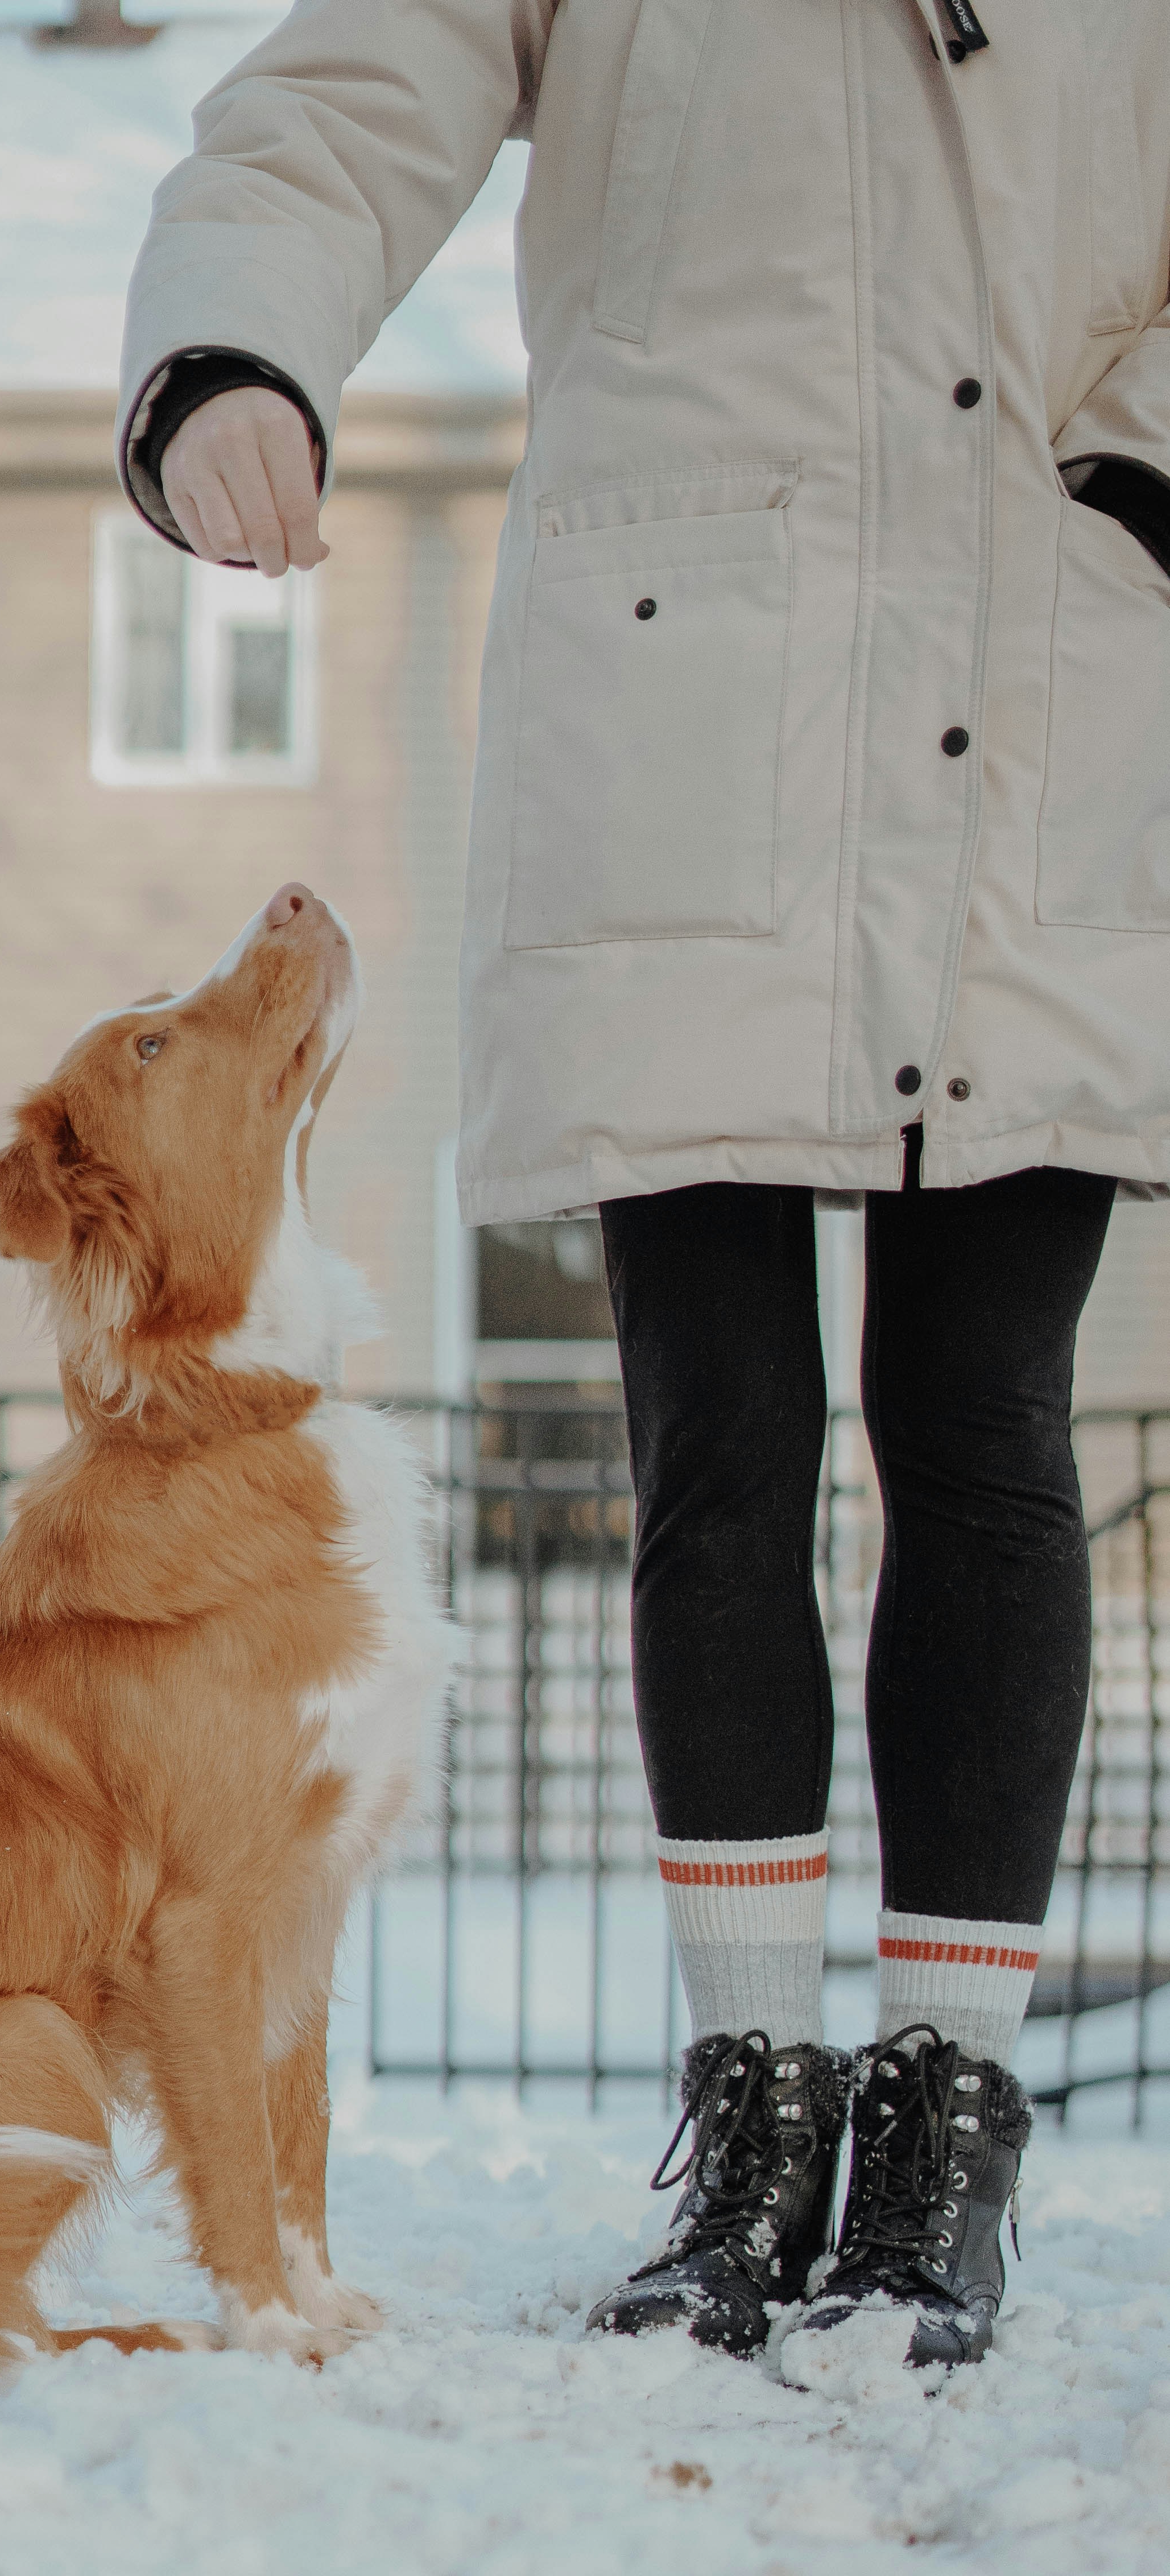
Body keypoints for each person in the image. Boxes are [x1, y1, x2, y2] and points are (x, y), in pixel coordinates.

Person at [118, 1, 1170, 2380]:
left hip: (1049, 693)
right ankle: (754, 2103)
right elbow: (350, 92)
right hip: (691, 708)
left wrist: (1150, 469)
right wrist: (231, 350)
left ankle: (945, 2124)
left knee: (983, 1427)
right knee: (721, 1441)